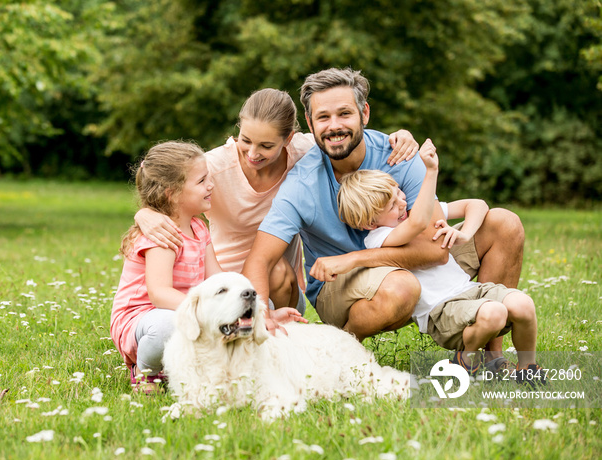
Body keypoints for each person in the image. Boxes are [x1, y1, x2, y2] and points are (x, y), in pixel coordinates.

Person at [242, 68, 525, 375]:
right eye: (323, 117)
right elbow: (259, 260)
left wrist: (354, 258)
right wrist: (260, 314)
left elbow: (436, 251)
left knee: (504, 223)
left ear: (364, 113)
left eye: (344, 113)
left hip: (401, 263)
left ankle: (491, 355)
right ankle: (343, 352)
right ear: (310, 123)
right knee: (401, 286)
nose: (334, 126)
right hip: (343, 287)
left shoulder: (400, 156)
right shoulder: (302, 184)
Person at [133, 88, 419, 318]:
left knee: (277, 269)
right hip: (221, 282)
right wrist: (144, 213)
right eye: (245, 140)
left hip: (281, 287)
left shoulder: (305, 153)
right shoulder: (212, 168)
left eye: (267, 146)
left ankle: (277, 331)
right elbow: (163, 183)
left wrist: (401, 135)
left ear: (288, 139)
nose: (252, 154)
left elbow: (344, 133)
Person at [336, 140, 544, 382]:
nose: (403, 203)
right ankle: (464, 360)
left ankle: (528, 369)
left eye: (399, 193)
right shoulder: (379, 238)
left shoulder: (412, 213)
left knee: (524, 305)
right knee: (495, 313)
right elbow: (415, 225)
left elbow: (477, 205)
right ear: (370, 223)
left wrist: (463, 233)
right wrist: (430, 172)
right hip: (442, 309)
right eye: (392, 205)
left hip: (470, 291)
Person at [110, 141, 224, 393]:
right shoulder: (161, 236)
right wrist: (203, 311)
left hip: (181, 310)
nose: (210, 185)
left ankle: (181, 366)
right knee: (168, 325)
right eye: (201, 181)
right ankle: (146, 372)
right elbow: (159, 294)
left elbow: (216, 279)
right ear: (171, 192)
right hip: (143, 320)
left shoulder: (199, 228)